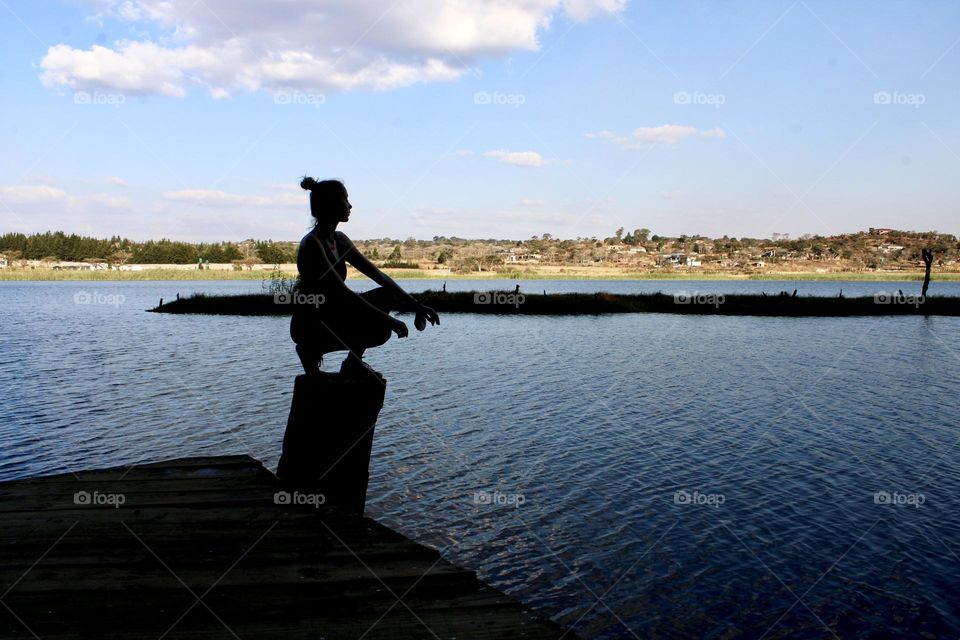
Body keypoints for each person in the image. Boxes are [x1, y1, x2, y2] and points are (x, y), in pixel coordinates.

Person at [290, 177, 439, 377]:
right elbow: (342, 293)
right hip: (312, 321)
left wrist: (416, 305)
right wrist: (389, 320)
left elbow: (378, 275)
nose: (350, 205)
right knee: (381, 329)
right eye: (345, 199)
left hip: (333, 311)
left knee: (386, 297)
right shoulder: (312, 244)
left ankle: (353, 362)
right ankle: (310, 350)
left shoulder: (339, 240)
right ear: (331, 205)